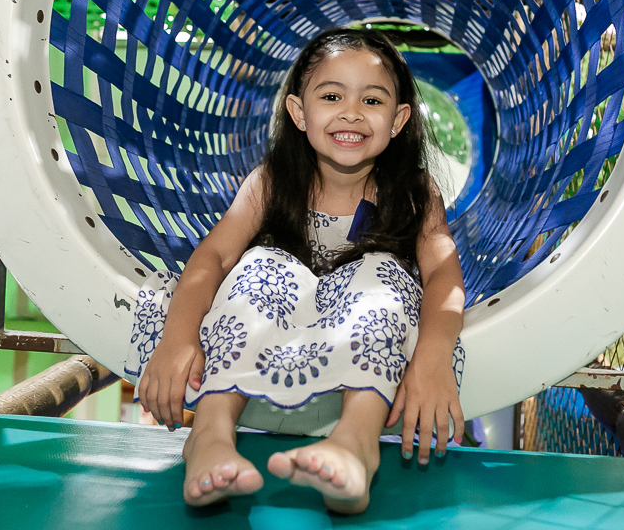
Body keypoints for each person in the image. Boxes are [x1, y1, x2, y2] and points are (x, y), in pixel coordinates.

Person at [125, 27, 465, 514]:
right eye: (331, 95)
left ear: (398, 120)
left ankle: (355, 444)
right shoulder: (272, 181)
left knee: (383, 274)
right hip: (274, 330)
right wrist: (178, 337)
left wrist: (433, 355)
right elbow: (213, 257)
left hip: (359, 331)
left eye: (372, 100)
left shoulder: (413, 190)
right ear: (299, 112)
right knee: (259, 266)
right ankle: (210, 436)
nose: (351, 112)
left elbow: (443, 276)